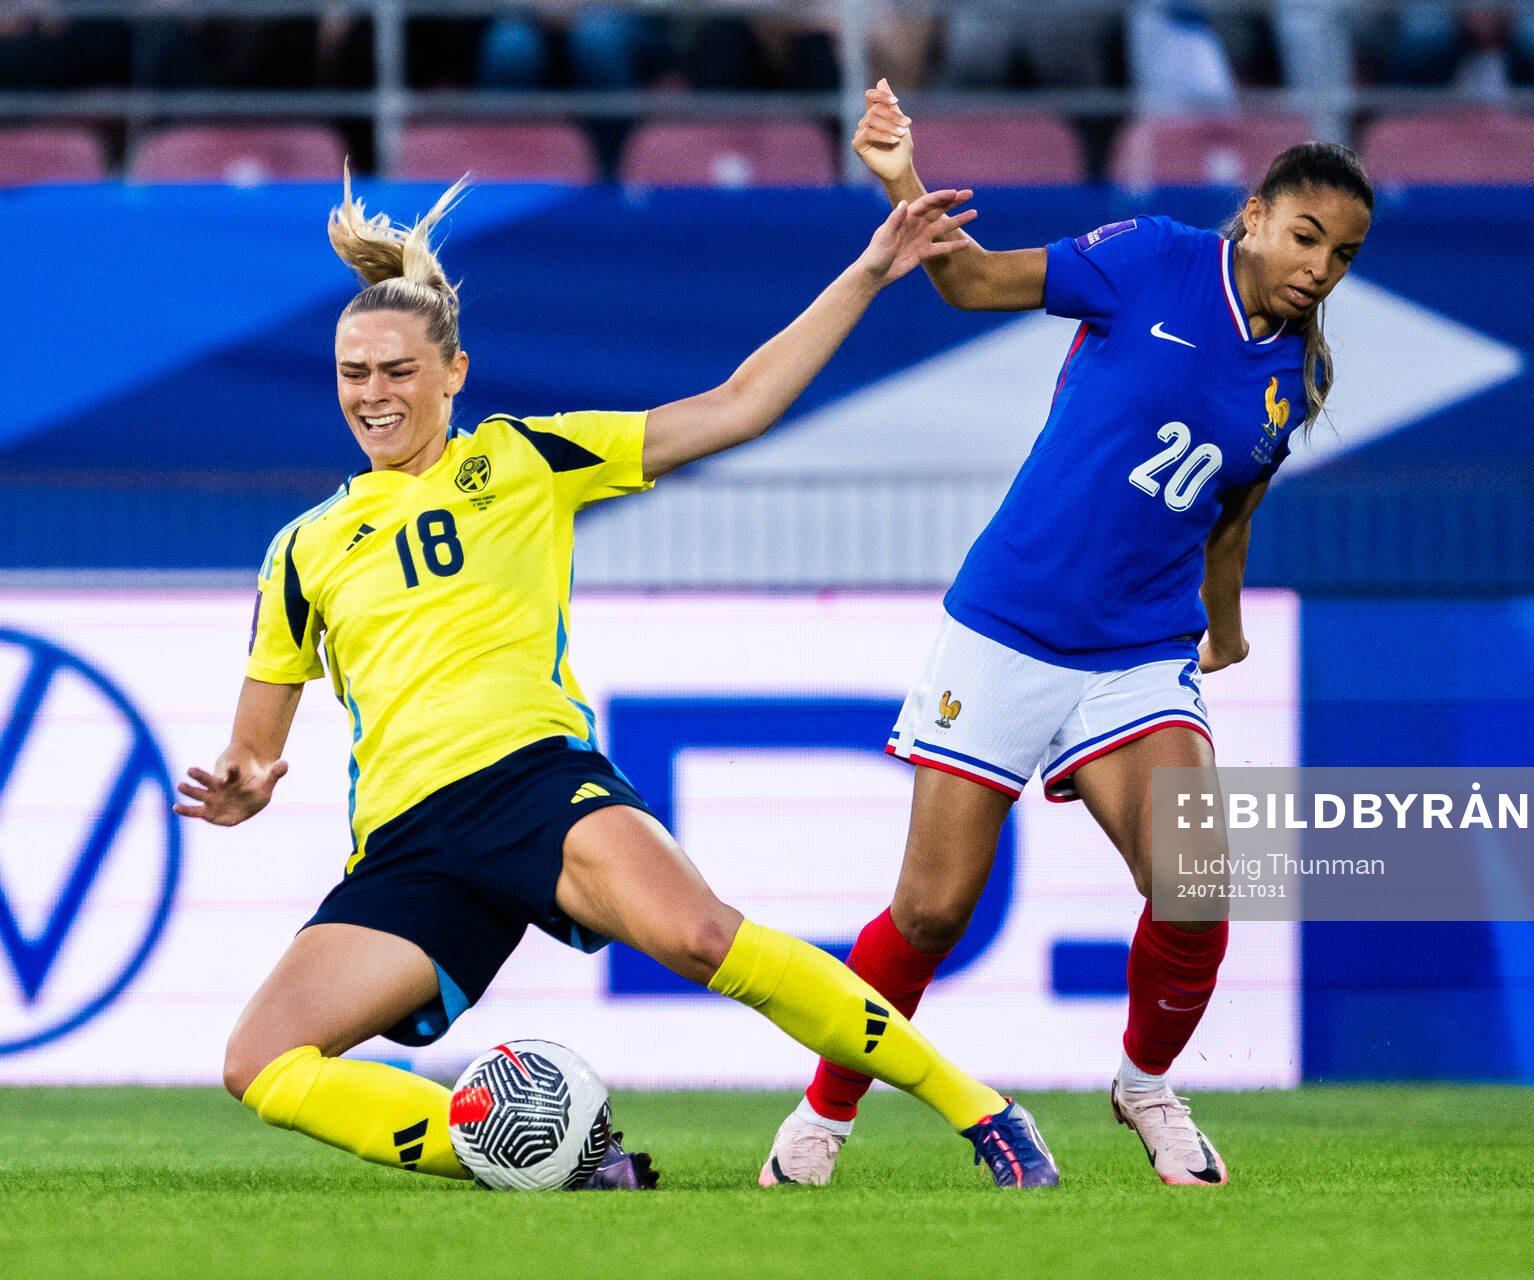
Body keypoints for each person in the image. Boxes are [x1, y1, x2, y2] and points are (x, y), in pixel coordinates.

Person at [179, 171, 1061, 1191]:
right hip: (408, 839)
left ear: (454, 371)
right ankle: (564, 1163)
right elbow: (256, 744)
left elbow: (739, 406)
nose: (373, 393)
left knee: (703, 936)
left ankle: (983, 1110)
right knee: (260, 1061)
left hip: (531, 782)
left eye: (397, 370)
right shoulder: (303, 549)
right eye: (352, 373)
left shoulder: (525, 458)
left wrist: (867, 272)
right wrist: (243, 780)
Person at [758, 79, 1372, 1189]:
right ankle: (824, 1111)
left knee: (1195, 882)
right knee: (931, 910)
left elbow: (1229, 516)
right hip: (1008, 625)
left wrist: (1224, 630)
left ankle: (1146, 1085)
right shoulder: (1153, 257)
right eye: (1305, 235)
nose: (1319, 266)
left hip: (1139, 650)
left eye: (1342, 254)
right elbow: (972, 282)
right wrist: (901, 178)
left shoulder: (1295, 376)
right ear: (1255, 215)